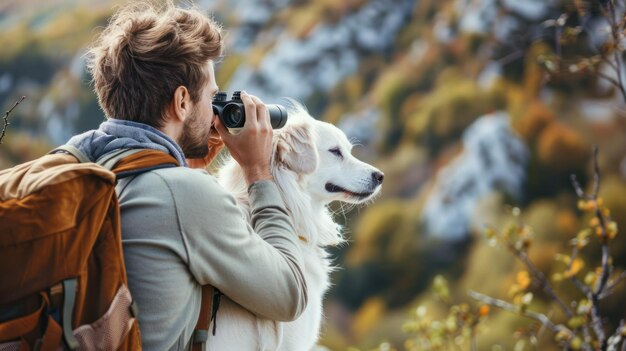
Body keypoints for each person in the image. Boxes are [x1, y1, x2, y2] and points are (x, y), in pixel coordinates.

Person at [63, 1, 308, 349]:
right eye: (211, 96)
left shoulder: (77, 166)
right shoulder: (184, 196)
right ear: (181, 101)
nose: (214, 111)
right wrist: (258, 170)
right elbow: (289, 295)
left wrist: (184, 169)